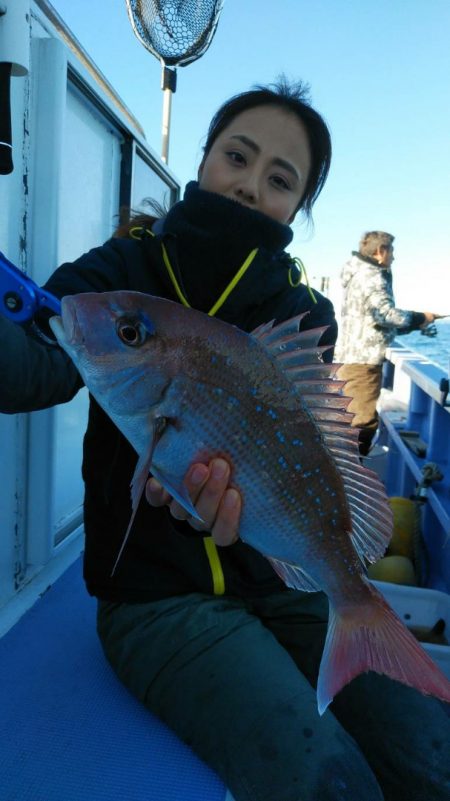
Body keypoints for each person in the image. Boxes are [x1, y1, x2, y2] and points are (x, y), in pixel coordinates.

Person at [1, 80, 449, 801]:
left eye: (279, 179)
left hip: (287, 584)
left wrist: (335, 575)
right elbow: (34, 358)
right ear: (204, 160)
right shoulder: (123, 272)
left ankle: (357, 614)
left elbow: (316, 455)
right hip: (159, 603)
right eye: (237, 156)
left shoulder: (303, 313)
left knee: (435, 757)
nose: (248, 186)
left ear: (297, 209)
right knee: (330, 782)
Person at [335, 231, 442, 455]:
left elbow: (372, 321)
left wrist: (415, 323)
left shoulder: (357, 273)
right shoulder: (372, 276)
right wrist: (421, 317)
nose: (394, 257)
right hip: (362, 362)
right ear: (380, 252)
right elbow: (385, 315)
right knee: (360, 424)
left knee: (348, 419)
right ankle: (349, 482)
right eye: (392, 251)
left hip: (351, 356)